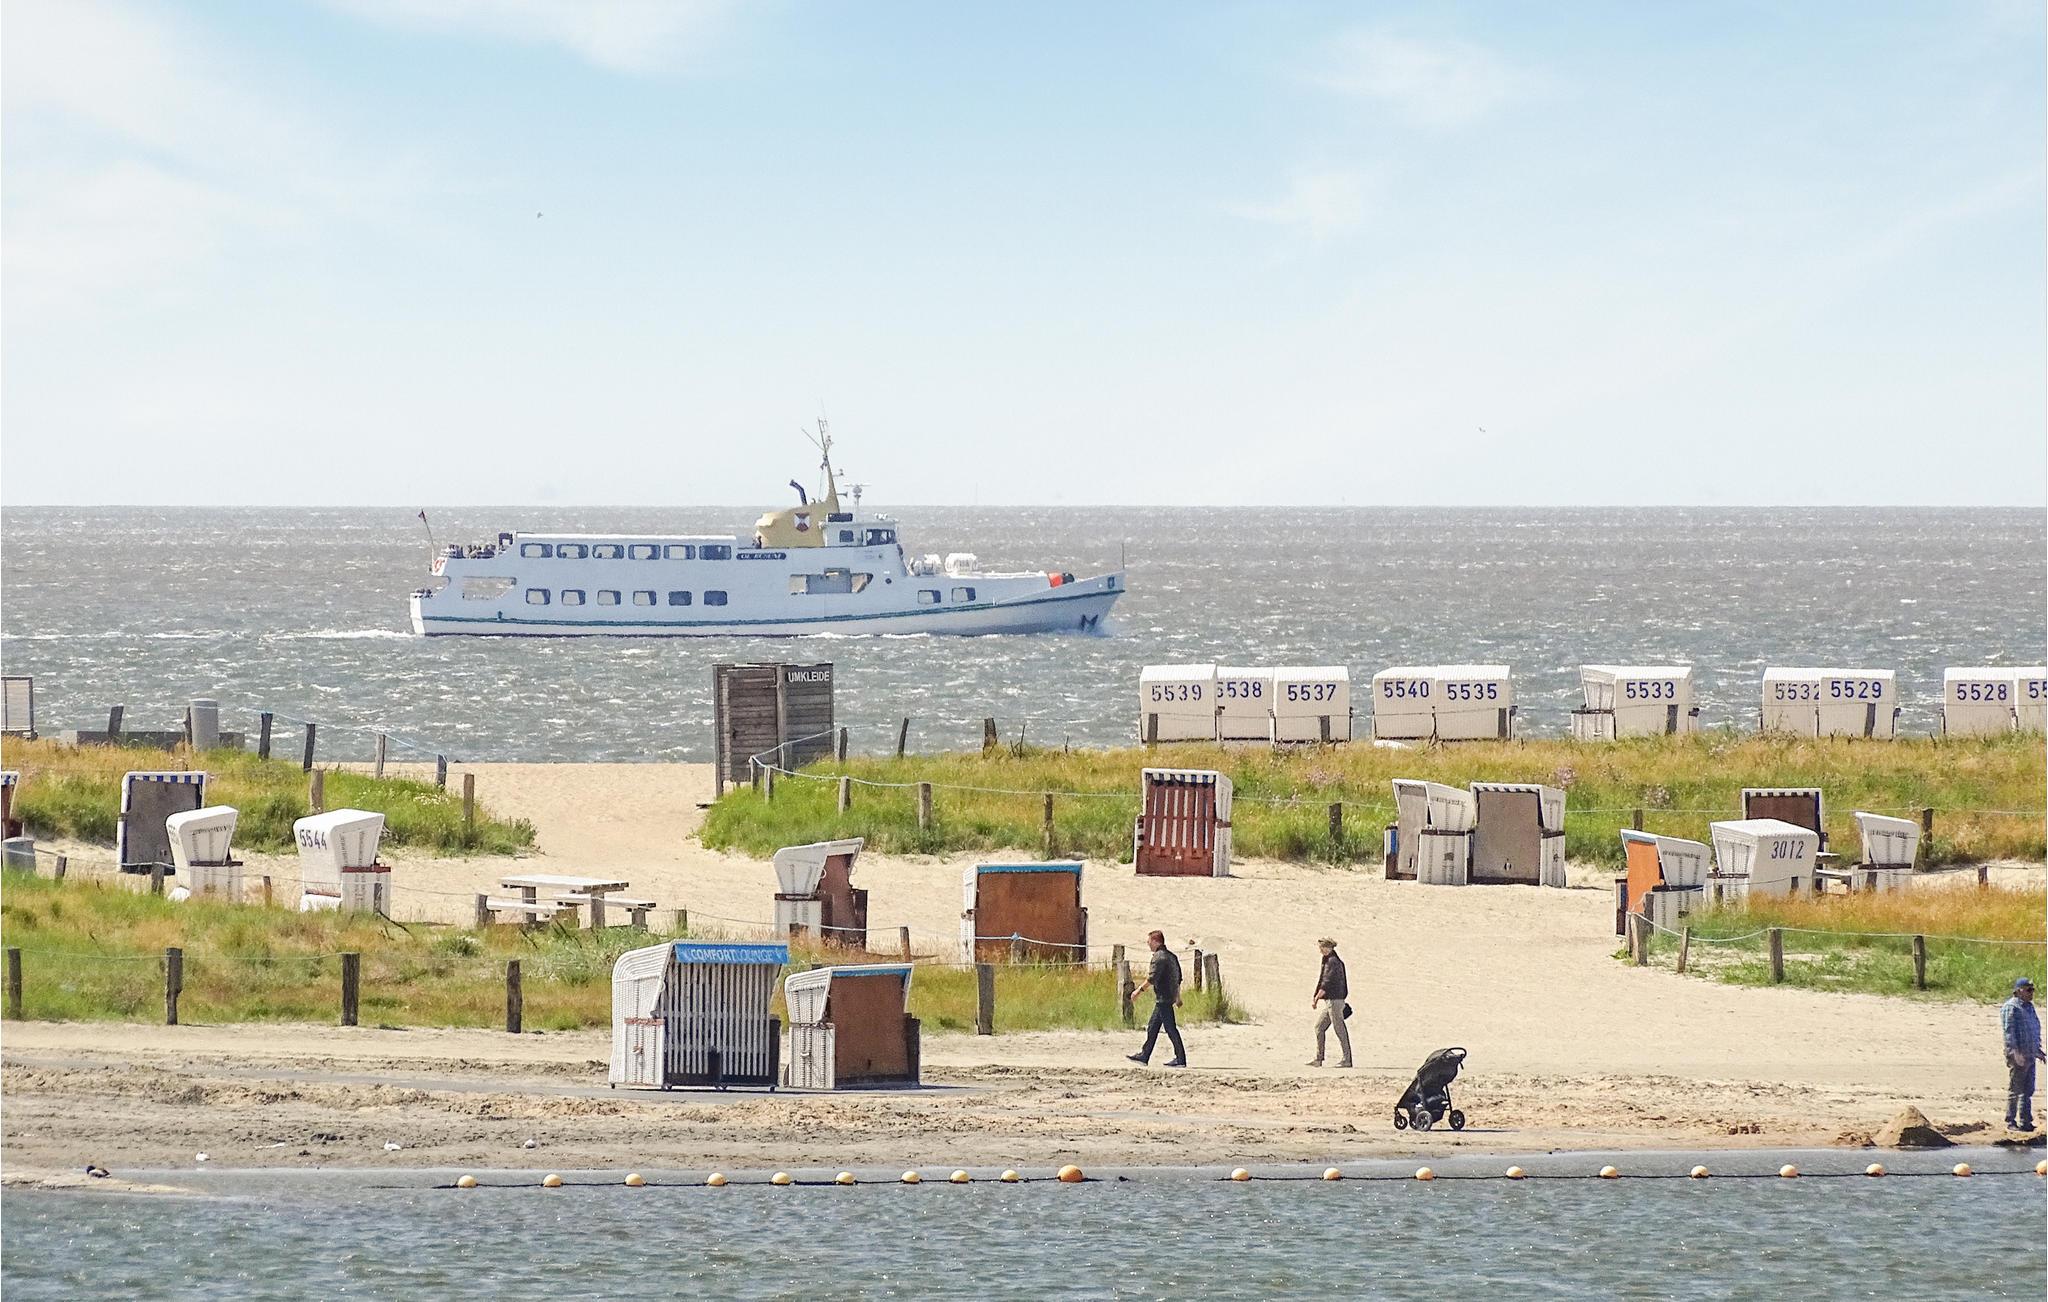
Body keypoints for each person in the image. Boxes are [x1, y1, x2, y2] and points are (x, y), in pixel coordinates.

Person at [1126, 930, 1186, 1068]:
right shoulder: (1172, 957)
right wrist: (1177, 997)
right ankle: (1144, 1056)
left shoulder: (1159, 957)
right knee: (1153, 1027)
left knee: (1170, 1029)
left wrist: (1138, 991)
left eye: (1149, 941)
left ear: (1155, 941)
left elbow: (1152, 978)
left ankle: (1180, 1059)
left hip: (1163, 998)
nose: (1148, 944)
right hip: (1167, 997)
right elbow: (1178, 978)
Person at [2003, 976, 2043, 1131]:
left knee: (2028, 1090)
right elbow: (2009, 1032)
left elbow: (2034, 1029)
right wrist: (2014, 1053)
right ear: (2019, 991)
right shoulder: (2011, 1007)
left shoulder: (2029, 1007)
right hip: (2018, 1054)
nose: (2031, 993)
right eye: (2028, 990)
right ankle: (2010, 1121)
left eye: (2032, 990)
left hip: (2030, 1054)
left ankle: (2025, 1121)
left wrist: (2038, 1050)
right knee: (2016, 1089)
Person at [1307, 937, 1353, 1068]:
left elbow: (1326, 982)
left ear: (1328, 948)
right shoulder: (1329, 960)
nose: (1320, 950)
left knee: (1339, 1029)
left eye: (1322, 947)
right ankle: (1318, 1059)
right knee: (1319, 1027)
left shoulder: (1333, 962)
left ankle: (1347, 1060)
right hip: (1331, 1001)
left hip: (1335, 1001)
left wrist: (1316, 998)